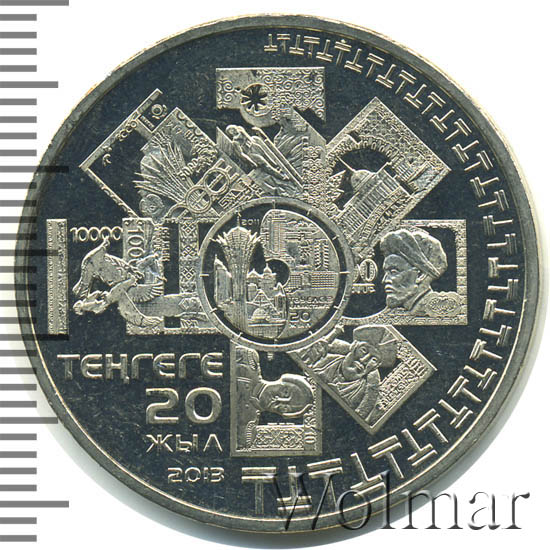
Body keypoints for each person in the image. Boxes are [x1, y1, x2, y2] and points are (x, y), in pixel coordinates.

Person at [380, 228, 449, 315]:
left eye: (393, 272)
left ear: (420, 275)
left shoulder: (430, 312)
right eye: (386, 273)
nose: (384, 280)